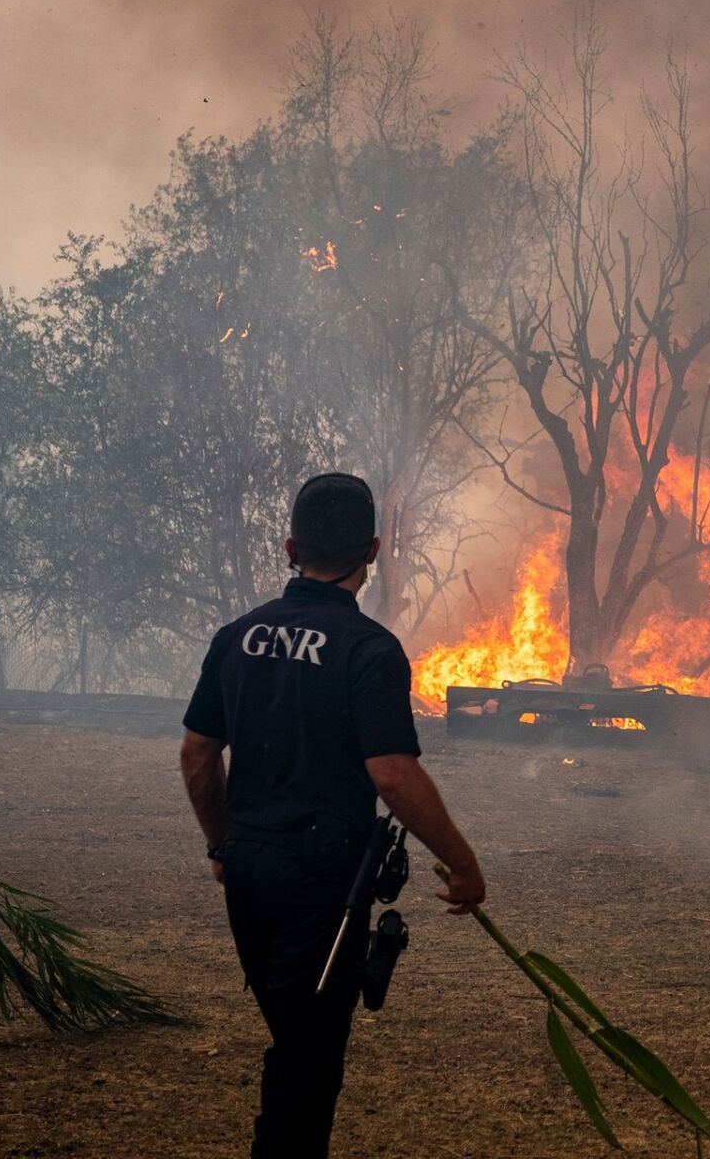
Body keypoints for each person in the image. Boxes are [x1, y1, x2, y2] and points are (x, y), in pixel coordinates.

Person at [179, 472, 486, 1158]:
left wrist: (224, 845)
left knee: (293, 1036)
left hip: (248, 870)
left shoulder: (237, 636)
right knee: (308, 1059)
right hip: (319, 884)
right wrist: (462, 863)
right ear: (371, 551)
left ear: (291, 548)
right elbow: (392, 773)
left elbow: (197, 755)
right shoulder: (368, 649)